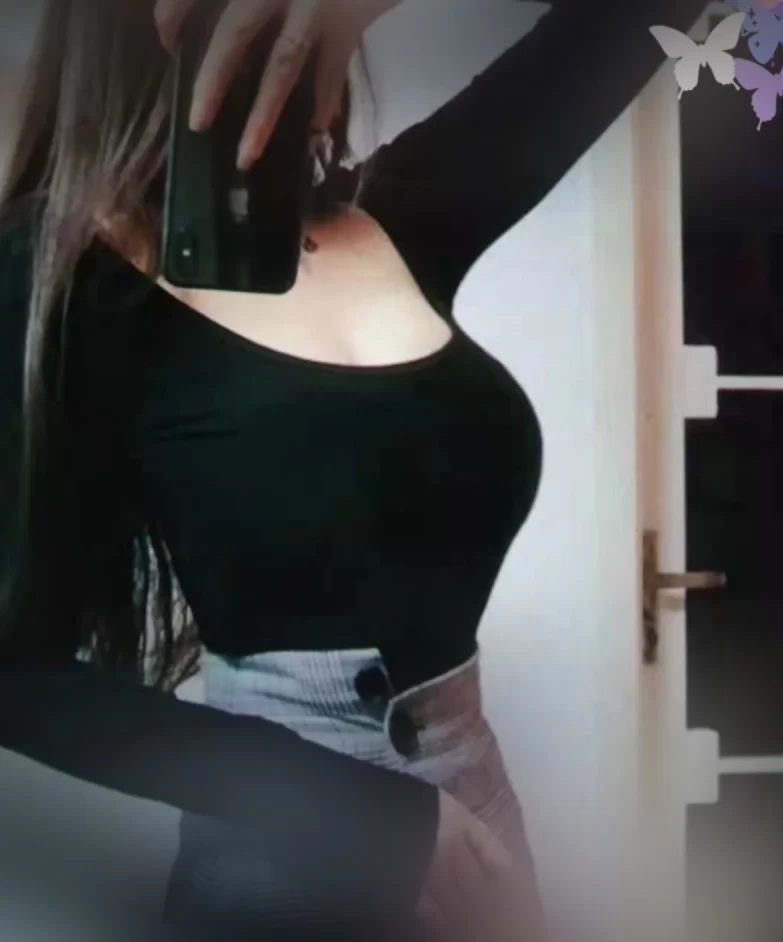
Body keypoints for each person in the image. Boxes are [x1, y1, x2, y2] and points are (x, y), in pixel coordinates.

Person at [0, 0, 709, 938]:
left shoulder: (398, 216)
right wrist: (362, 814)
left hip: (483, 844)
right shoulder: (59, 274)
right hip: (283, 868)